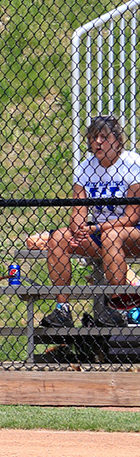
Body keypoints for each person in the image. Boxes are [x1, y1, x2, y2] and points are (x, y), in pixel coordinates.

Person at [39, 115, 140, 328]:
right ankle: (62, 310)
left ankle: (119, 307)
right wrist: (78, 230)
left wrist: (94, 228)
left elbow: (132, 217)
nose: (98, 142)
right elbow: (78, 210)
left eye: (104, 137)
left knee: (112, 236)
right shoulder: (86, 167)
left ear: (118, 140)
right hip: (98, 233)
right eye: (94, 138)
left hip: (131, 232)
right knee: (58, 238)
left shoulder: (133, 162)